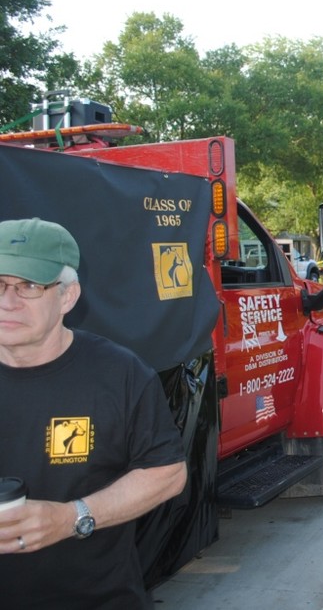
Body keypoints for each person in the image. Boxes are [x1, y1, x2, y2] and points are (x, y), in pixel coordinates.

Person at [0, 218, 187, 609]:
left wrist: (73, 517)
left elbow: (167, 473)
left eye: (29, 285)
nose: (8, 301)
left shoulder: (119, 374)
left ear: (67, 297)